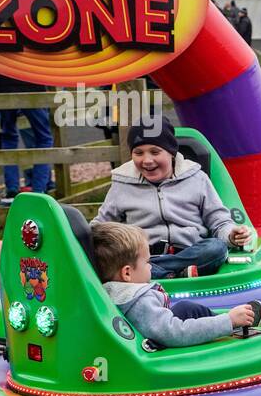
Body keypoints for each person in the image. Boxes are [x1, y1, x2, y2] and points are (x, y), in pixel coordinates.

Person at [95, 118, 252, 279]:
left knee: (216, 248)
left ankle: (161, 274)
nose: (147, 160)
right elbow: (101, 227)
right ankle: (176, 273)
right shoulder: (122, 184)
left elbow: (219, 221)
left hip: (192, 251)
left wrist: (231, 235)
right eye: (138, 153)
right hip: (145, 258)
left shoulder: (197, 178)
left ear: (171, 152)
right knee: (124, 264)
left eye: (155, 152)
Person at [92, 222, 258, 348]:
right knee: (191, 313)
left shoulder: (113, 291)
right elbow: (176, 333)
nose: (151, 266)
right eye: (148, 262)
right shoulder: (139, 301)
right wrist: (227, 321)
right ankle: (234, 326)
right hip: (163, 345)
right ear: (127, 273)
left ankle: (237, 325)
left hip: (158, 330)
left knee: (188, 308)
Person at [0, 67, 55, 203]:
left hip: (2, 85)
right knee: (44, 138)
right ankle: (39, 189)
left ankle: (12, 188)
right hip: (31, 83)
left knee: (8, 137)